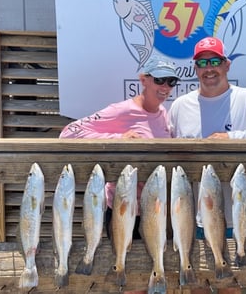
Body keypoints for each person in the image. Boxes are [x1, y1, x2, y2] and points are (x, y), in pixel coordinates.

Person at [168, 36, 246, 238]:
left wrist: (232, 137)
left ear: (227, 65)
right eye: (202, 63)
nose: (209, 68)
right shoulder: (180, 106)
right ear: (195, 68)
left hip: (235, 218)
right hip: (189, 220)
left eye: (215, 61)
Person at [59, 56, 180, 239]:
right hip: (122, 207)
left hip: (154, 209)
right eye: (159, 80)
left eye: (171, 81)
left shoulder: (163, 113)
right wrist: (118, 138)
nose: (165, 87)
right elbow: (69, 132)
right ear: (143, 80)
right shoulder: (122, 110)